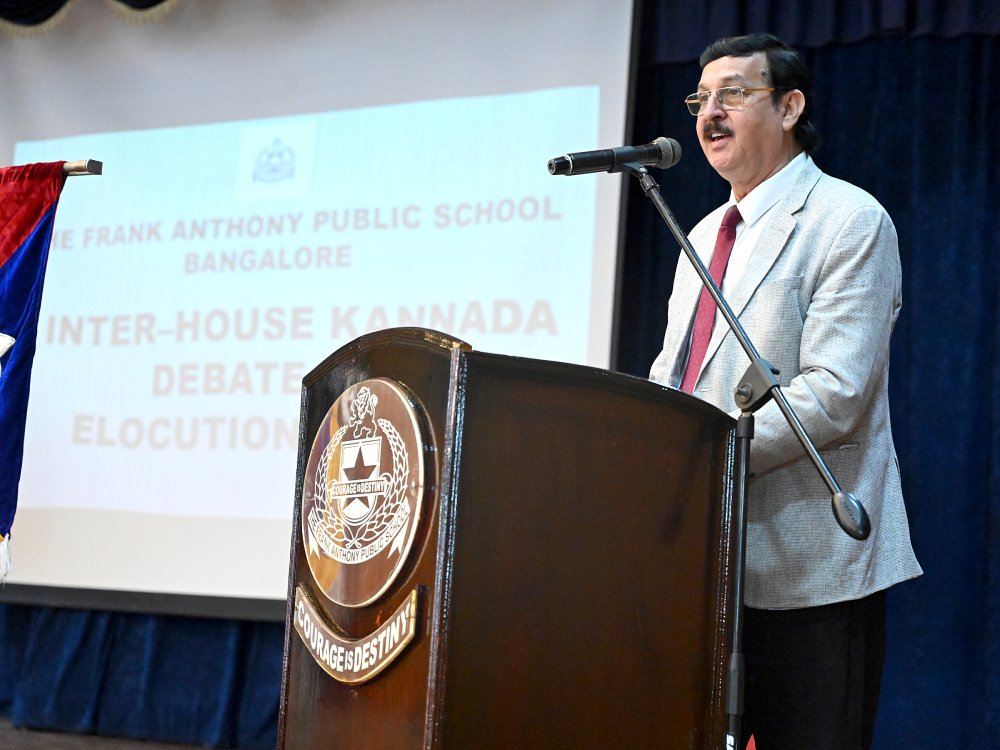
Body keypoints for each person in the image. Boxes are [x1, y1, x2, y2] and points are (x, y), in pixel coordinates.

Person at [649, 33, 922, 750]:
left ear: (791, 105)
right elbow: (675, 375)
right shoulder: (704, 232)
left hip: (813, 570)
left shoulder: (848, 219)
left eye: (732, 93)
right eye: (700, 98)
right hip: (706, 568)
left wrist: (697, 462)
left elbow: (835, 393)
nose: (709, 113)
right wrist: (639, 445)